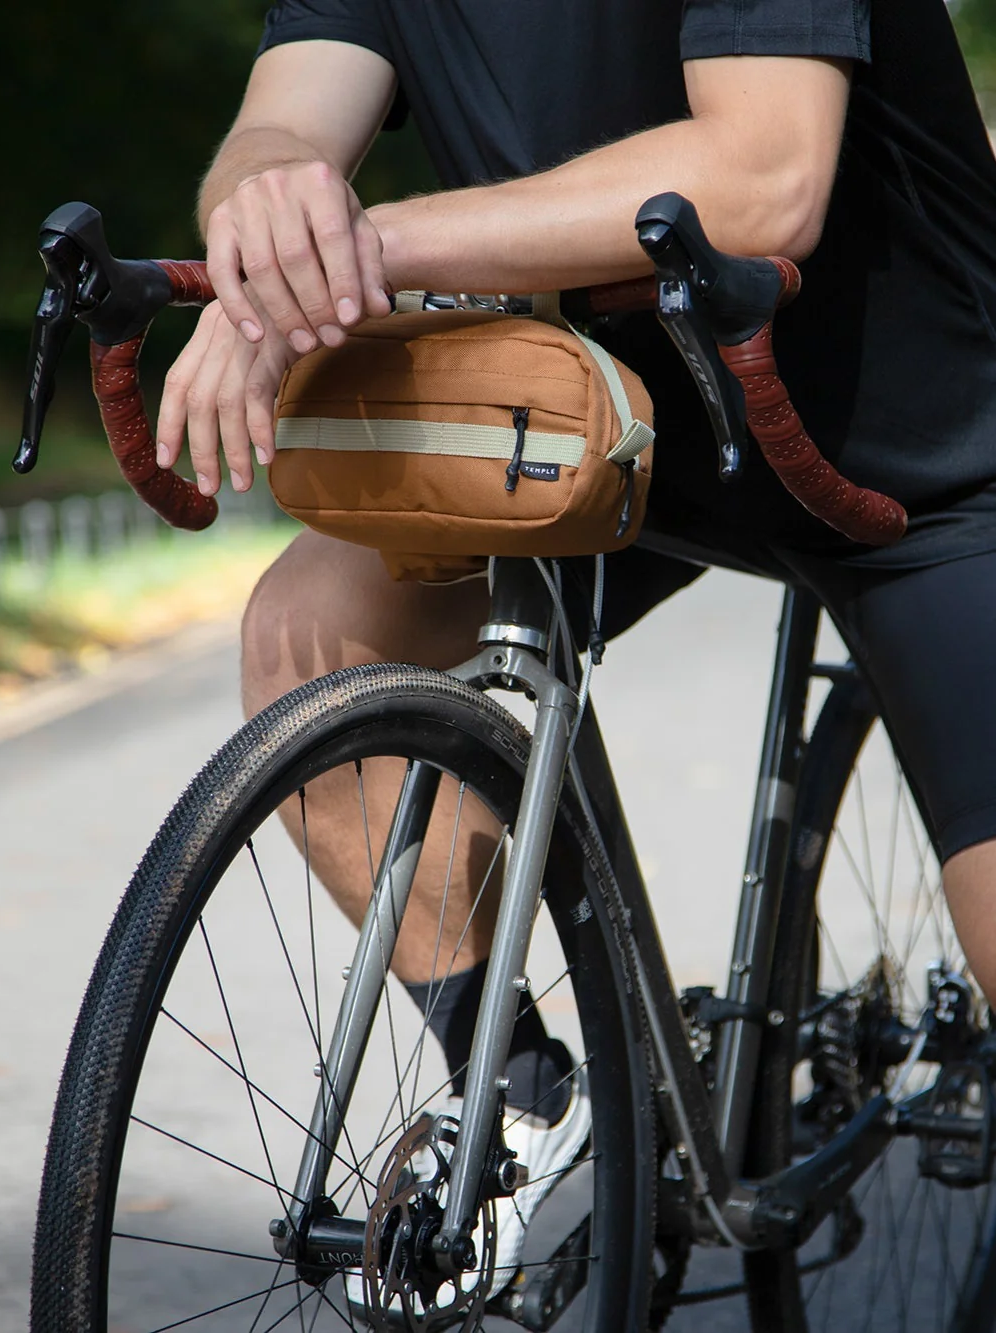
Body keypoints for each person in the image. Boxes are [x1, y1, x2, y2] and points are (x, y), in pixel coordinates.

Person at [154, 0, 996, 1300]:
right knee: (304, 634)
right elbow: (280, 120)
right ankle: (533, 1091)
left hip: (921, 454)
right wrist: (269, 219)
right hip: (609, 430)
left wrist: (360, 249)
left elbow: (762, 177)